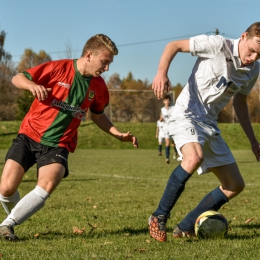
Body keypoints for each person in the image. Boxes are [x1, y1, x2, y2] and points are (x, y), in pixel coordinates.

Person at [0, 34, 138, 241]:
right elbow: (17, 77)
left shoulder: (99, 87)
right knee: (6, 188)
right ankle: (12, 220)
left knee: (46, 185)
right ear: (89, 55)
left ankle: (6, 225)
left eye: (109, 63)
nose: (107, 68)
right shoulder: (57, 68)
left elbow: (98, 116)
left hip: (59, 144)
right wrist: (31, 86)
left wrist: (117, 134)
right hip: (29, 135)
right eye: (105, 62)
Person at [148, 22, 260, 242]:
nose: (253, 58)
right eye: (253, 50)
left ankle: (187, 225)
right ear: (244, 36)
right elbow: (174, 46)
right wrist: (162, 73)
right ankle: (158, 216)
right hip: (186, 113)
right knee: (194, 157)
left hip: (209, 124)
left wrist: (253, 141)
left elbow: (240, 103)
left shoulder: (253, 70)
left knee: (234, 185)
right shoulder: (217, 45)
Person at [160, 95, 177, 163]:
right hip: (166, 128)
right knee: (167, 142)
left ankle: (176, 151)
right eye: (166, 100)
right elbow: (161, 116)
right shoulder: (162, 109)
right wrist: (161, 119)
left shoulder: (174, 108)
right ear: (164, 101)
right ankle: (167, 158)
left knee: (174, 143)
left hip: (173, 127)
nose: (168, 101)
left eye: (169, 100)